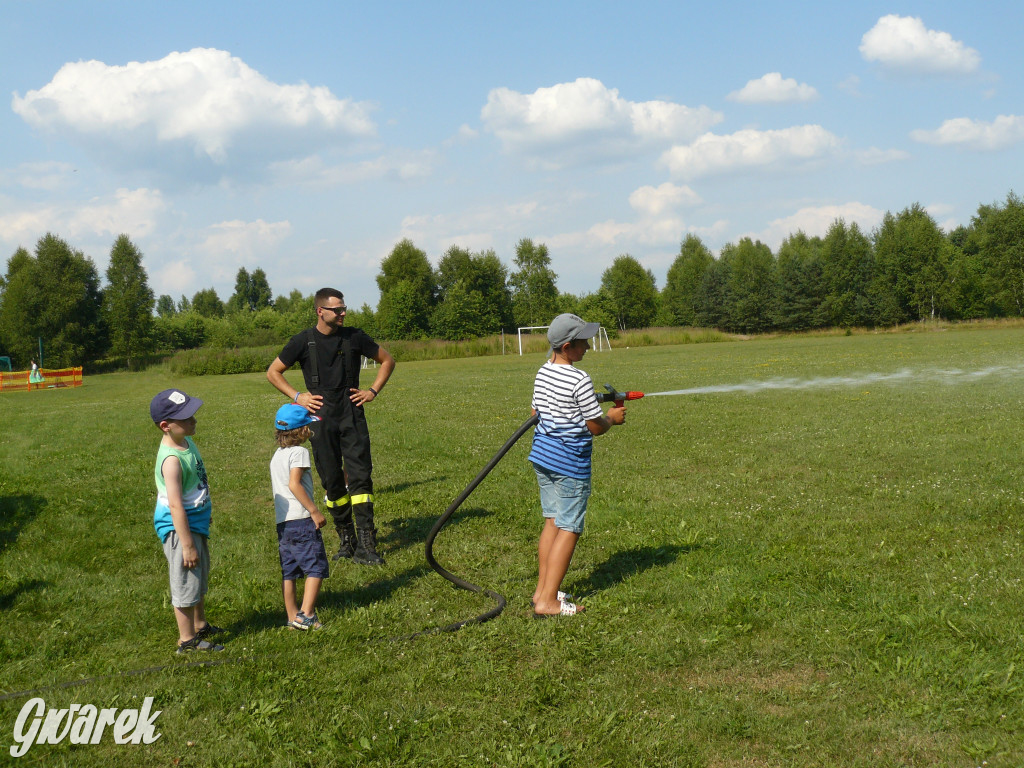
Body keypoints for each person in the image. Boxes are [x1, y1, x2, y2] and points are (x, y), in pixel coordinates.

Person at [267, 287, 396, 566]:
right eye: (337, 309)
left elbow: (388, 360)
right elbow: (273, 371)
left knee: (360, 478)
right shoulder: (303, 341)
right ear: (320, 311)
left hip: (352, 413)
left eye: (343, 308)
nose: (343, 313)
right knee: (332, 481)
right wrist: (298, 396)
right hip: (320, 419)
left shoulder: (355, 337)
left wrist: (372, 391)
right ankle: (346, 540)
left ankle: (366, 543)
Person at [529, 314, 626, 618]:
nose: (588, 347)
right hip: (570, 464)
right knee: (569, 528)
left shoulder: (543, 371)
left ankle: (542, 591)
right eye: (584, 342)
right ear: (568, 346)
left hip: (543, 459)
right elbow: (595, 426)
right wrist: (612, 418)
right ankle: (547, 603)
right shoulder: (579, 378)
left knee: (552, 523)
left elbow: (536, 410)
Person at [150, 388, 224, 653]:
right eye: (186, 417)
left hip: (195, 522)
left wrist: (204, 512)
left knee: (197, 577)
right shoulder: (171, 461)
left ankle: (200, 623)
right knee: (185, 581)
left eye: (193, 413)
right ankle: (187, 639)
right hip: (180, 528)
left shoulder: (185, 442)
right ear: (166, 426)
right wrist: (187, 544)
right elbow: (175, 505)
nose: (193, 420)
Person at [271, 403, 329, 630]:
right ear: (302, 430)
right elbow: (294, 484)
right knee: (315, 567)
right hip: (302, 518)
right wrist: (314, 511)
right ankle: (307, 614)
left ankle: (292, 615)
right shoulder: (300, 452)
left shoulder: (277, 455)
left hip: (283, 522)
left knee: (290, 570)